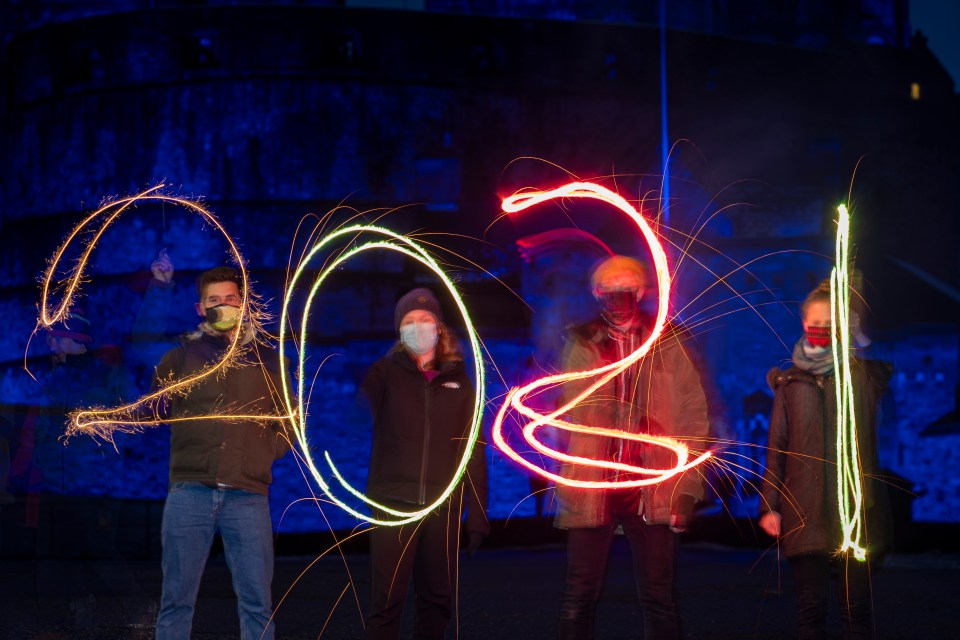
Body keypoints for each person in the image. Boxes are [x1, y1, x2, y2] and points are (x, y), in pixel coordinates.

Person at [554, 255, 709, 640]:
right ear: (597, 292)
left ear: (641, 291)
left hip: (652, 489)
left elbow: (693, 418)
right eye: (610, 287)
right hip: (594, 488)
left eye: (628, 286)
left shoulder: (669, 341)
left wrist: (687, 490)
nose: (619, 294)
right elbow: (570, 408)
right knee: (578, 598)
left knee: (660, 599)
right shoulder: (583, 344)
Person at [139, 254, 292, 640]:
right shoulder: (180, 357)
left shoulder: (269, 361)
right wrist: (159, 291)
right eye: (214, 300)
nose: (223, 305)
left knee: (257, 605)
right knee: (176, 601)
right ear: (200, 308)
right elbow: (152, 406)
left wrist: (261, 454)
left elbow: (289, 423)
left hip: (248, 495)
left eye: (230, 298)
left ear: (243, 303)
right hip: (190, 492)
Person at [759, 280, 892, 640]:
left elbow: (882, 373)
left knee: (857, 612)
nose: (819, 331)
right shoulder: (789, 383)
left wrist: (857, 335)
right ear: (802, 324)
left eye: (828, 324)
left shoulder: (860, 378)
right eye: (813, 322)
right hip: (804, 510)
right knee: (810, 611)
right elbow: (777, 448)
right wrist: (769, 505)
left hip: (854, 508)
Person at [362, 287, 489, 640]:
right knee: (386, 601)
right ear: (399, 330)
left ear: (438, 326)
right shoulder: (383, 373)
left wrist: (478, 513)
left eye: (424, 319)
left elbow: (473, 449)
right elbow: (354, 416)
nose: (417, 327)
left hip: (442, 507)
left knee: (437, 601)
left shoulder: (460, 381)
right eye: (408, 321)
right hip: (392, 502)